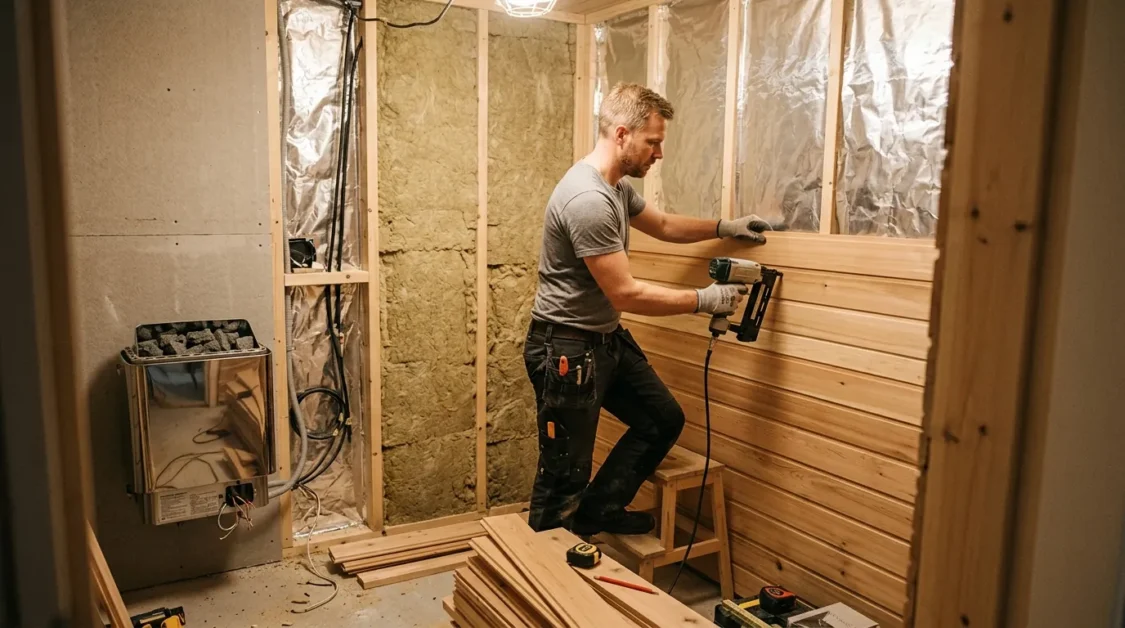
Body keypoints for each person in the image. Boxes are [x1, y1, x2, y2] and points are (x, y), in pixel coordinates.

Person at [523, 82, 783, 535]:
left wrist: (724, 226)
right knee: (564, 473)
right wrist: (704, 300)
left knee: (661, 419)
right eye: (654, 142)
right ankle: (546, 583)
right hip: (565, 348)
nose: (658, 154)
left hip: (601, 339)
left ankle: (598, 511)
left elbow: (661, 224)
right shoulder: (588, 200)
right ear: (622, 135)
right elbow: (625, 294)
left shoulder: (615, 187)